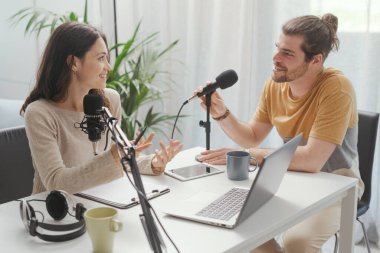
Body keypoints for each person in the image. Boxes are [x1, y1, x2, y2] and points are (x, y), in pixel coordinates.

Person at [196, 14, 364, 253]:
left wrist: (248, 154)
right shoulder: (276, 83)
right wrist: (222, 113)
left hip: (338, 185)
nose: (275, 58)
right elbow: (252, 135)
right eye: (277, 48)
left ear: (315, 60)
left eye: (288, 53)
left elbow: (312, 160)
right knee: (237, 227)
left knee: (298, 242)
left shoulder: (336, 88)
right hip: (291, 179)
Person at [20, 22, 182, 195]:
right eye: (100, 58)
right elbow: (56, 182)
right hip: (53, 212)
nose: (108, 67)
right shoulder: (40, 113)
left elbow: (116, 161)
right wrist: (113, 156)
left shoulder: (109, 100)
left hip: (98, 200)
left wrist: (152, 162)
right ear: (74, 63)